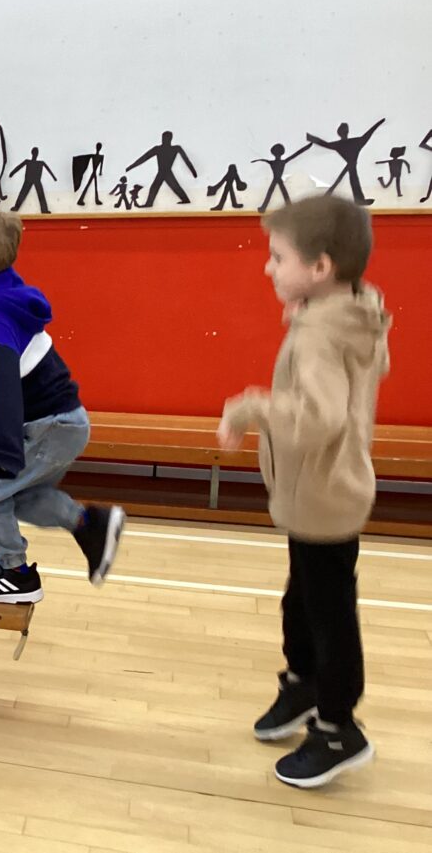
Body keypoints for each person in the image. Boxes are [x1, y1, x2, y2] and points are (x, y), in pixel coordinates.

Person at [219, 194, 390, 788]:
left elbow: (319, 419)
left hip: (323, 493)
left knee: (328, 611)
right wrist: (306, 313)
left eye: (278, 256)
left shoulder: (321, 332)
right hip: (324, 491)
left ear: (320, 268)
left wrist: (252, 407)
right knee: (305, 599)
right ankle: (304, 684)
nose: (267, 266)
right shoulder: (351, 310)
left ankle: (339, 728)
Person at [0, 202, 124, 604]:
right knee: (16, 497)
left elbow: (1, 384)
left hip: (49, 425)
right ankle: (89, 523)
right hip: (59, 422)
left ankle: (15, 574)